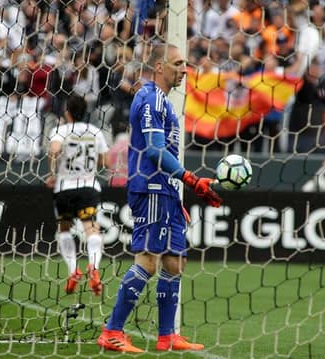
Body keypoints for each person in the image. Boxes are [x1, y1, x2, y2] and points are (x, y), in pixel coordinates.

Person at [96, 43, 222, 353]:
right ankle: (112, 331)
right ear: (159, 67)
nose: (184, 69)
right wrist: (189, 179)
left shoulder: (163, 102)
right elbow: (153, 150)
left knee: (174, 261)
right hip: (151, 187)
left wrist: (179, 187)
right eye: (178, 63)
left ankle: (168, 335)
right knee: (149, 261)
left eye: (185, 64)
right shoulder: (150, 98)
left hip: (166, 190)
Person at [46, 93, 109, 296]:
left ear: (67, 112)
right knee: (92, 229)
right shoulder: (95, 131)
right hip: (88, 186)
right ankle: (94, 267)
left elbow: (54, 149)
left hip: (65, 188)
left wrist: (53, 172)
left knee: (64, 229)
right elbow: (105, 162)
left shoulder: (60, 130)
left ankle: (73, 270)